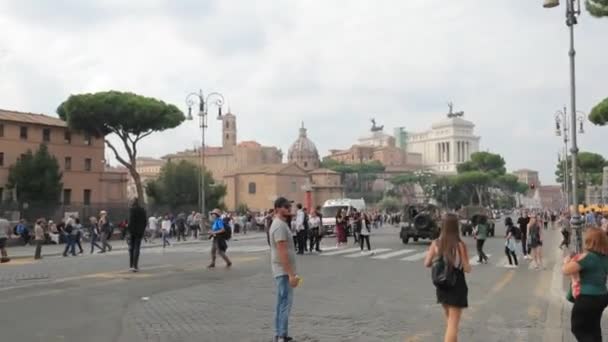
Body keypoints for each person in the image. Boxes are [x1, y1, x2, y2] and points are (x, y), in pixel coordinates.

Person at [424, 213, 471, 342]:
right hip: (457, 286)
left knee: (450, 322)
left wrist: (439, 257)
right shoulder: (460, 245)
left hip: (442, 286)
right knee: (452, 325)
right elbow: (467, 269)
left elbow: (427, 263)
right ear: (456, 227)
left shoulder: (436, 243)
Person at [563, 228, 608, 342]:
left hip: (587, 298)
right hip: (602, 297)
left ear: (589, 241)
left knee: (579, 328)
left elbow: (566, 270)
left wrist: (566, 261)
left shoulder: (588, 257)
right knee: (594, 327)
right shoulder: (605, 258)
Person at [269, 197, 299, 342]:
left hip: (282, 270)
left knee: (281, 303)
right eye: (286, 206)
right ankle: (281, 335)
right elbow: (282, 252)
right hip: (283, 271)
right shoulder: (279, 226)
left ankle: (279, 333)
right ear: (278, 208)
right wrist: (291, 274)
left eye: (289, 206)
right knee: (285, 303)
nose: (289, 209)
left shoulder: (280, 224)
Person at [127, 198, 147, 272]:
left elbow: (130, 221)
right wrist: (142, 229)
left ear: (133, 203)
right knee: (137, 248)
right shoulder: (142, 210)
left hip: (132, 231)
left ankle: (131, 265)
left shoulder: (131, 210)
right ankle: (135, 266)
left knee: (131, 248)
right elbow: (145, 221)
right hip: (139, 232)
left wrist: (128, 231)